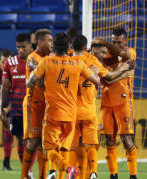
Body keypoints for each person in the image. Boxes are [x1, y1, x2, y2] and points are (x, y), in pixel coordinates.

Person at [26, 32, 100, 179]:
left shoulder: (46, 62)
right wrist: (96, 72)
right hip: (71, 115)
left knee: (49, 148)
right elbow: (96, 81)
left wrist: (36, 70)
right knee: (64, 147)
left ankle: (63, 170)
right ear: (68, 47)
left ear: (54, 46)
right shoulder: (79, 64)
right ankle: (59, 174)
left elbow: (30, 82)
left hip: (53, 113)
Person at [70, 35, 134, 179]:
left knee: (72, 146)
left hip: (70, 110)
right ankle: (93, 172)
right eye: (100, 51)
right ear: (88, 49)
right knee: (91, 144)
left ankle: (71, 172)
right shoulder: (92, 62)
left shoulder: (66, 59)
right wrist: (124, 70)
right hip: (88, 110)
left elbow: (108, 80)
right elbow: (107, 78)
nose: (102, 55)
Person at [93, 28, 137, 179]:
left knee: (127, 140)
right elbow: (105, 79)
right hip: (106, 103)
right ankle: (113, 175)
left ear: (126, 41)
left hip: (124, 101)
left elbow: (110, 77)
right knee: (109, 140)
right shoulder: (104, 55)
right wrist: (123, 72)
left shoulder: (130, 52)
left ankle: (133, 175)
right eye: (114, 42)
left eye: (119, 42)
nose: (117, 45)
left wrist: (113, 75)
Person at [0, 33, 35, 170]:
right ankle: (28, 171)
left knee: (35, 141)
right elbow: (5, 86)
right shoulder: (10, 63)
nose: (20, 50)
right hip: (17, 109)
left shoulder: (37, 61)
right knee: (21, 139)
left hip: (35, 108)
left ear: (30, 47)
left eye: (23, 47)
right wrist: (2, 107)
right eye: (18, 47)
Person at [21, 29, 53, 179]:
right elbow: (40, 78)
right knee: (33, 141)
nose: (52, 44)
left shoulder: (50, 58)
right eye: (49, 40)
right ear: (40, 42)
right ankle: (24, 175)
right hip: (33, 104)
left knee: (43, 143)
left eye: (53, 41)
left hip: (46, 104)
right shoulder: (31, 57)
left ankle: (41, 176)